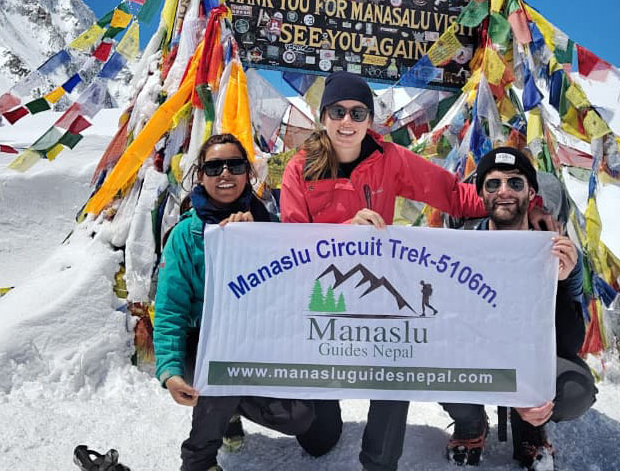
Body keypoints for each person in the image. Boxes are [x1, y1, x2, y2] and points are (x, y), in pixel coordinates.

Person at [280, 70, 489, 471]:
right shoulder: (300, 169)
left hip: (378, 289)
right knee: (318, 441)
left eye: (358, 113)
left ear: (369, 121)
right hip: (324, 295)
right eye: (338, 111)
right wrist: (347, 232)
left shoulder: (388, 159)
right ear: (324, 116)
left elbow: (452, 194)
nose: (347, 121)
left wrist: (508, 202)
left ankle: (379, 462)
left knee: (396, 362)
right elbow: (293, 245)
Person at [154, 134, 341, 471]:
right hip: (207, 343)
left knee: (314, 430)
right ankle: (199, 457)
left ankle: (230, 404)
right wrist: (170, 370)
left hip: (261, 341)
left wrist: (256, 242)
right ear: (200, 175)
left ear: (248, 174)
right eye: (213, 167)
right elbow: (171, 310)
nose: (225, 173)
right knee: (223, 368)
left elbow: (291, 295)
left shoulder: (271, 226)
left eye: (235, 165)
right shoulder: (185, 236)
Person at [441, 146, 597, 470]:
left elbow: (570, 341)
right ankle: (471, 422)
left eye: (515, 183)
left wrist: (564, 283)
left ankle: (531, 428)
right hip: (480, 355)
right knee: (440, 363)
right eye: (493, 184)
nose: (504, 192)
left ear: (531, 192)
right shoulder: (462, 244)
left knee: (572, 387)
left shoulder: (555, 248)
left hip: (532, 357)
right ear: (481, 193)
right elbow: (447, 326)